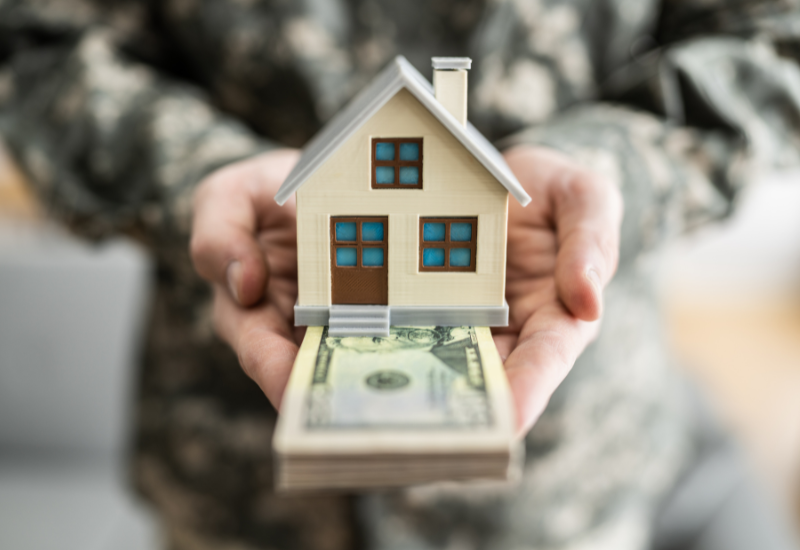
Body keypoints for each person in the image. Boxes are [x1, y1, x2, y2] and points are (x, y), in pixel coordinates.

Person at [1, 1, 798, 549]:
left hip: (561, 487)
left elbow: (773, 40)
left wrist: (611, 168)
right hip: (233, 482)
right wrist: (199, 173)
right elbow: (33, 43)